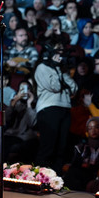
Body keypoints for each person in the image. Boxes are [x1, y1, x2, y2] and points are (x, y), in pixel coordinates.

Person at [34, 41, 78, 170]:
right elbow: (55, 86)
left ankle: (56, 179)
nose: (61, 56)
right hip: (49, 109)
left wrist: (60, 71)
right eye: (58, 53)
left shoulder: (61, 70)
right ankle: (39, 177)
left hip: (65, 108)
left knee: (61, 147)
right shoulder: (42, 67)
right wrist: (58, 69)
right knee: (48, 146)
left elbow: (74, 88)